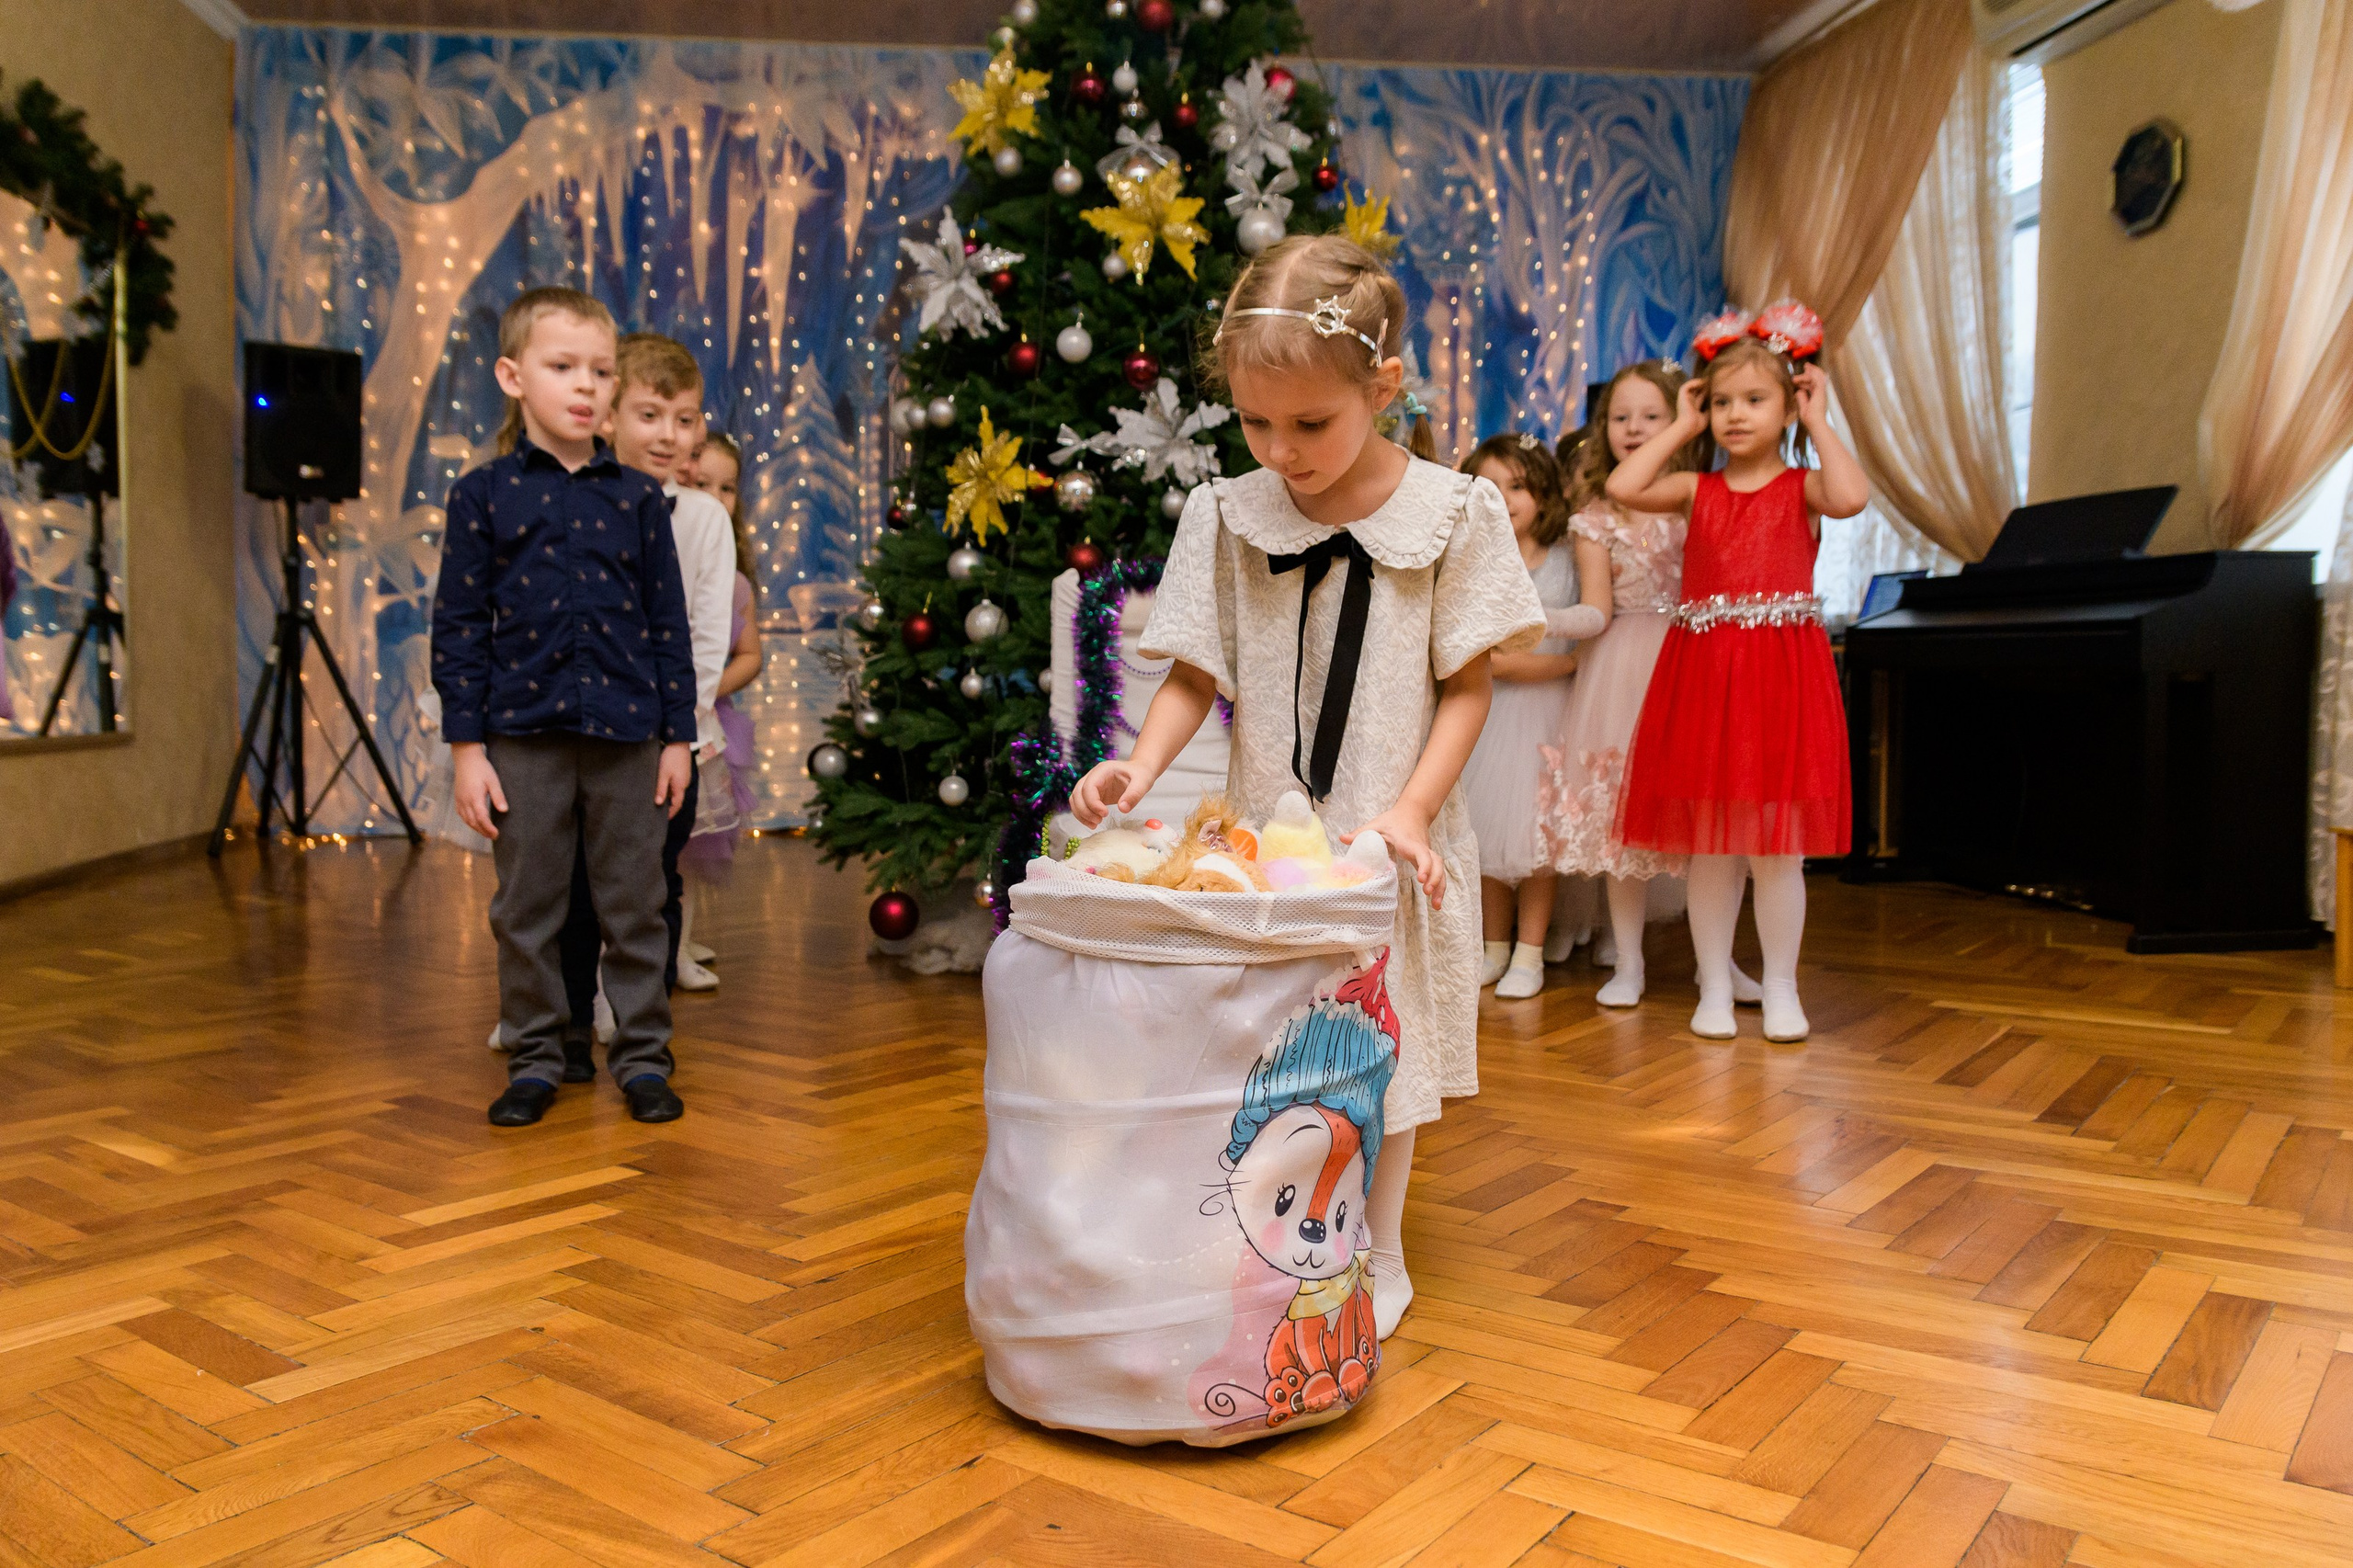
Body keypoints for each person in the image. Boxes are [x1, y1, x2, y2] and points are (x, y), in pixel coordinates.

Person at [1070, 234, 1547, 1342]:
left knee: (1384, 1046)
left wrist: (1410, 810)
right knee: (1274, 1043)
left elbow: (1468, 686)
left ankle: (1379, 1244)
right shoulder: (1227, 513)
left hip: (1389, 838)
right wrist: (1140, 763)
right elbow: (1195, 673)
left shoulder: (1454, 513)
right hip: (1269, 849)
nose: (1280, 451)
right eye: (1254, 423)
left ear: (1382, 386)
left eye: (1310, 423)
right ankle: (1278, 1230)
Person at [433, 287, 694, 1128]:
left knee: (635, 906)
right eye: (563, 367)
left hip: (630, 738)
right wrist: (467, 749)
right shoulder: (483, 496)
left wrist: (678, 738)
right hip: (522, 739)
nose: (586, 386)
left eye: (601, 371)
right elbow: (459, 626)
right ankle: (539, 1058)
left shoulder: (639, 500)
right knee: (527, 909)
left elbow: (667, 624)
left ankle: (644, 1058)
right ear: (513, 377)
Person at [1608, 305, 1869, 1042]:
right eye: (1721, 402)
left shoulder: (1804, 488)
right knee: (1711, 849)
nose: (1735, 414)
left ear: (1788, 404)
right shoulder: (1698, 490)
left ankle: (1781, 987)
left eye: (1755, 399)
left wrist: (1818, 422)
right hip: (1706, 681)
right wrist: (1681, 426)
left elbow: (1853, 497)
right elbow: (1626, 484)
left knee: (1777, 849)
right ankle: (1715, 986)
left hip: (1781, 685)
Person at [1542, 361, 1756, 1010]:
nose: (1633, 428)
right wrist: (1538, 619)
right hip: (1621, 672)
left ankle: (1717, 963)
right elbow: (1597, 611)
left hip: (1695, 663)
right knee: (1622, 825)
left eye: (1650, 416)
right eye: (1620, 417)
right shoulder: (1594, 519)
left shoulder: (1702, 501)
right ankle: (1629, 962)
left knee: (1712, 826)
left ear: (1681, 422)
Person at [1453, 433, 1580, 1000]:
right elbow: (1482, 655)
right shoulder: (1474, 564)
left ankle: (1530, 954)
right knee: (1488, 838)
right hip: (1489, 714)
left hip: (1549, 717)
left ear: (1543, 493)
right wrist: (1558, 664)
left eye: (1518, 486)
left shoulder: (1567, 561)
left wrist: (1544, 665)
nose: (1504, 499)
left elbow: (1579, 642)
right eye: (1490, 487)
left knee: (1537, 843)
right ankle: (1494, 948)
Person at [675, 433, 764, 987]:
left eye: (727, 488)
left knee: (688, 854)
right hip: (661, 728)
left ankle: (677, 949)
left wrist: (705, 690)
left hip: (709, 728)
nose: (714, 497)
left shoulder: (734, 583)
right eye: (702, 482)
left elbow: (750, 656)